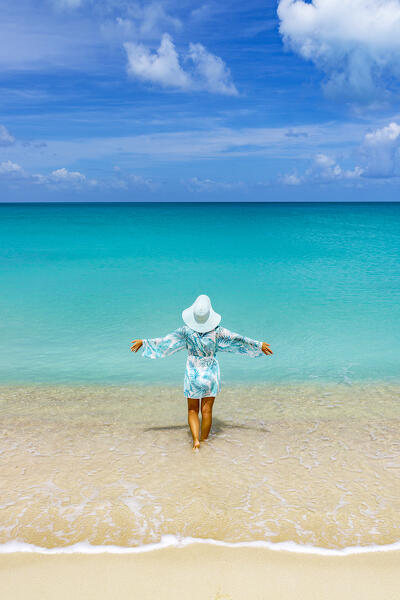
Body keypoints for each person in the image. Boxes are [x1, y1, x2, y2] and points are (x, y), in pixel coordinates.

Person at [131, 294, 273, 451]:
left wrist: (144, 342)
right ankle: (205, 440)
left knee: (192, 410)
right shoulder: (218, 331)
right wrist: (258, 345)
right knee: (207, 411)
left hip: (193, 372)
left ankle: (196, 442)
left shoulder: (185, 331)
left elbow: (166, 342)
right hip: (211, 373)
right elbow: (238, 340)